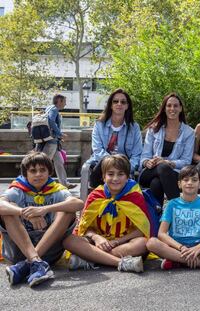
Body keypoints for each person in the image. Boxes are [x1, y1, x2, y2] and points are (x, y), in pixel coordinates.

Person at [0, 152, 83, 287]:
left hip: (49, 252)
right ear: (25, 174)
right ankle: (35, 262)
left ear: (49, 172)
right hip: (18, 251)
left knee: (67, 211)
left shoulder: (56, 189)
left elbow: (79, 204)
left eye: (42, 170)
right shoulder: (18, 189)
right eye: (33, 171)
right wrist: (24, 212)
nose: (38, 174)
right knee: (9, 210)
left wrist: (43, 209)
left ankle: (28, 265)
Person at [63, 154, 157, 273]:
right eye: (110, 174)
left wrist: (117, 241)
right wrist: (97, 238)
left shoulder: (135, 196)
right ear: (103, 177)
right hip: (98, 242)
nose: (115, 178)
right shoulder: (95, 196)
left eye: (120, 174)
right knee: (69, 241)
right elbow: (84, 227)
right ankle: (121, 262)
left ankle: (91, 258)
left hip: (123, 242)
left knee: (143, 243)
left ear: (127, 177)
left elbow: (142, 230)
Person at [139, 93, 195, 205]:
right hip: (149, 172)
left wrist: (168, 163)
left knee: (156, 183)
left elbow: (186, 161)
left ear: (180, 108)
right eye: (169, 106)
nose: (172, 109)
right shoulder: (154, 129)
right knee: (162, 168)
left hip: (174, 174)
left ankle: (157, 217)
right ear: (164, 109)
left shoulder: (189, 132)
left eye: (175, 106)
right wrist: (147, 162)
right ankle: (179, 210)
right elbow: (144, 156)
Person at [86, 89, 143, 188]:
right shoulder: (99, 125)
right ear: (111, 105)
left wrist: (126, 168)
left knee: (121, 177)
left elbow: (137, 154)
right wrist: (112, 165)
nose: (119, 104)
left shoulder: (134, 127)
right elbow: (98, 150)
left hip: (125, 167)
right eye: (115, 101)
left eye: (123, 102)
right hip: (102, 165)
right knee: (101, 165)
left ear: (127, 106)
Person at [37, 94, 76, 189]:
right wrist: (60, 133)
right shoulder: (54, 109)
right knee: (43, 163)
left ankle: (64, 183)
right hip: (51, 142)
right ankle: (39, 182)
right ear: (59, 101)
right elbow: (51, 121)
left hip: (53, 141)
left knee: (59, 163)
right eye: (64, 102)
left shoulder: (49, 108)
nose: (65, 104)